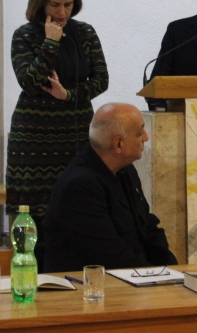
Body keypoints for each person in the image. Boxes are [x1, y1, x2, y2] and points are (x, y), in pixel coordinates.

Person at [5, 0, 109, 238]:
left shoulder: (85, 33)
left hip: (76, 132)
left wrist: (69, 95)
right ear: (41, 2)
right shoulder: (24, 35)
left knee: (78, 205)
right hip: (34, 138)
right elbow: (29, 81)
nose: (62, 12)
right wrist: (50, 42)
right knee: (34, 217)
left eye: (68, 5)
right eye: (55, 4)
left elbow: (102, 80)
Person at [44, 103, 177, 272]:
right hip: (88, 283)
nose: (146, 137)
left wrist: (173, 269)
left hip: (130, 274)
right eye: (139, 133)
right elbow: (110, 255)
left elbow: (147, 227)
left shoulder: (126, 170)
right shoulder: (80, 186)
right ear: (118, 144)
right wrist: (156, 276)